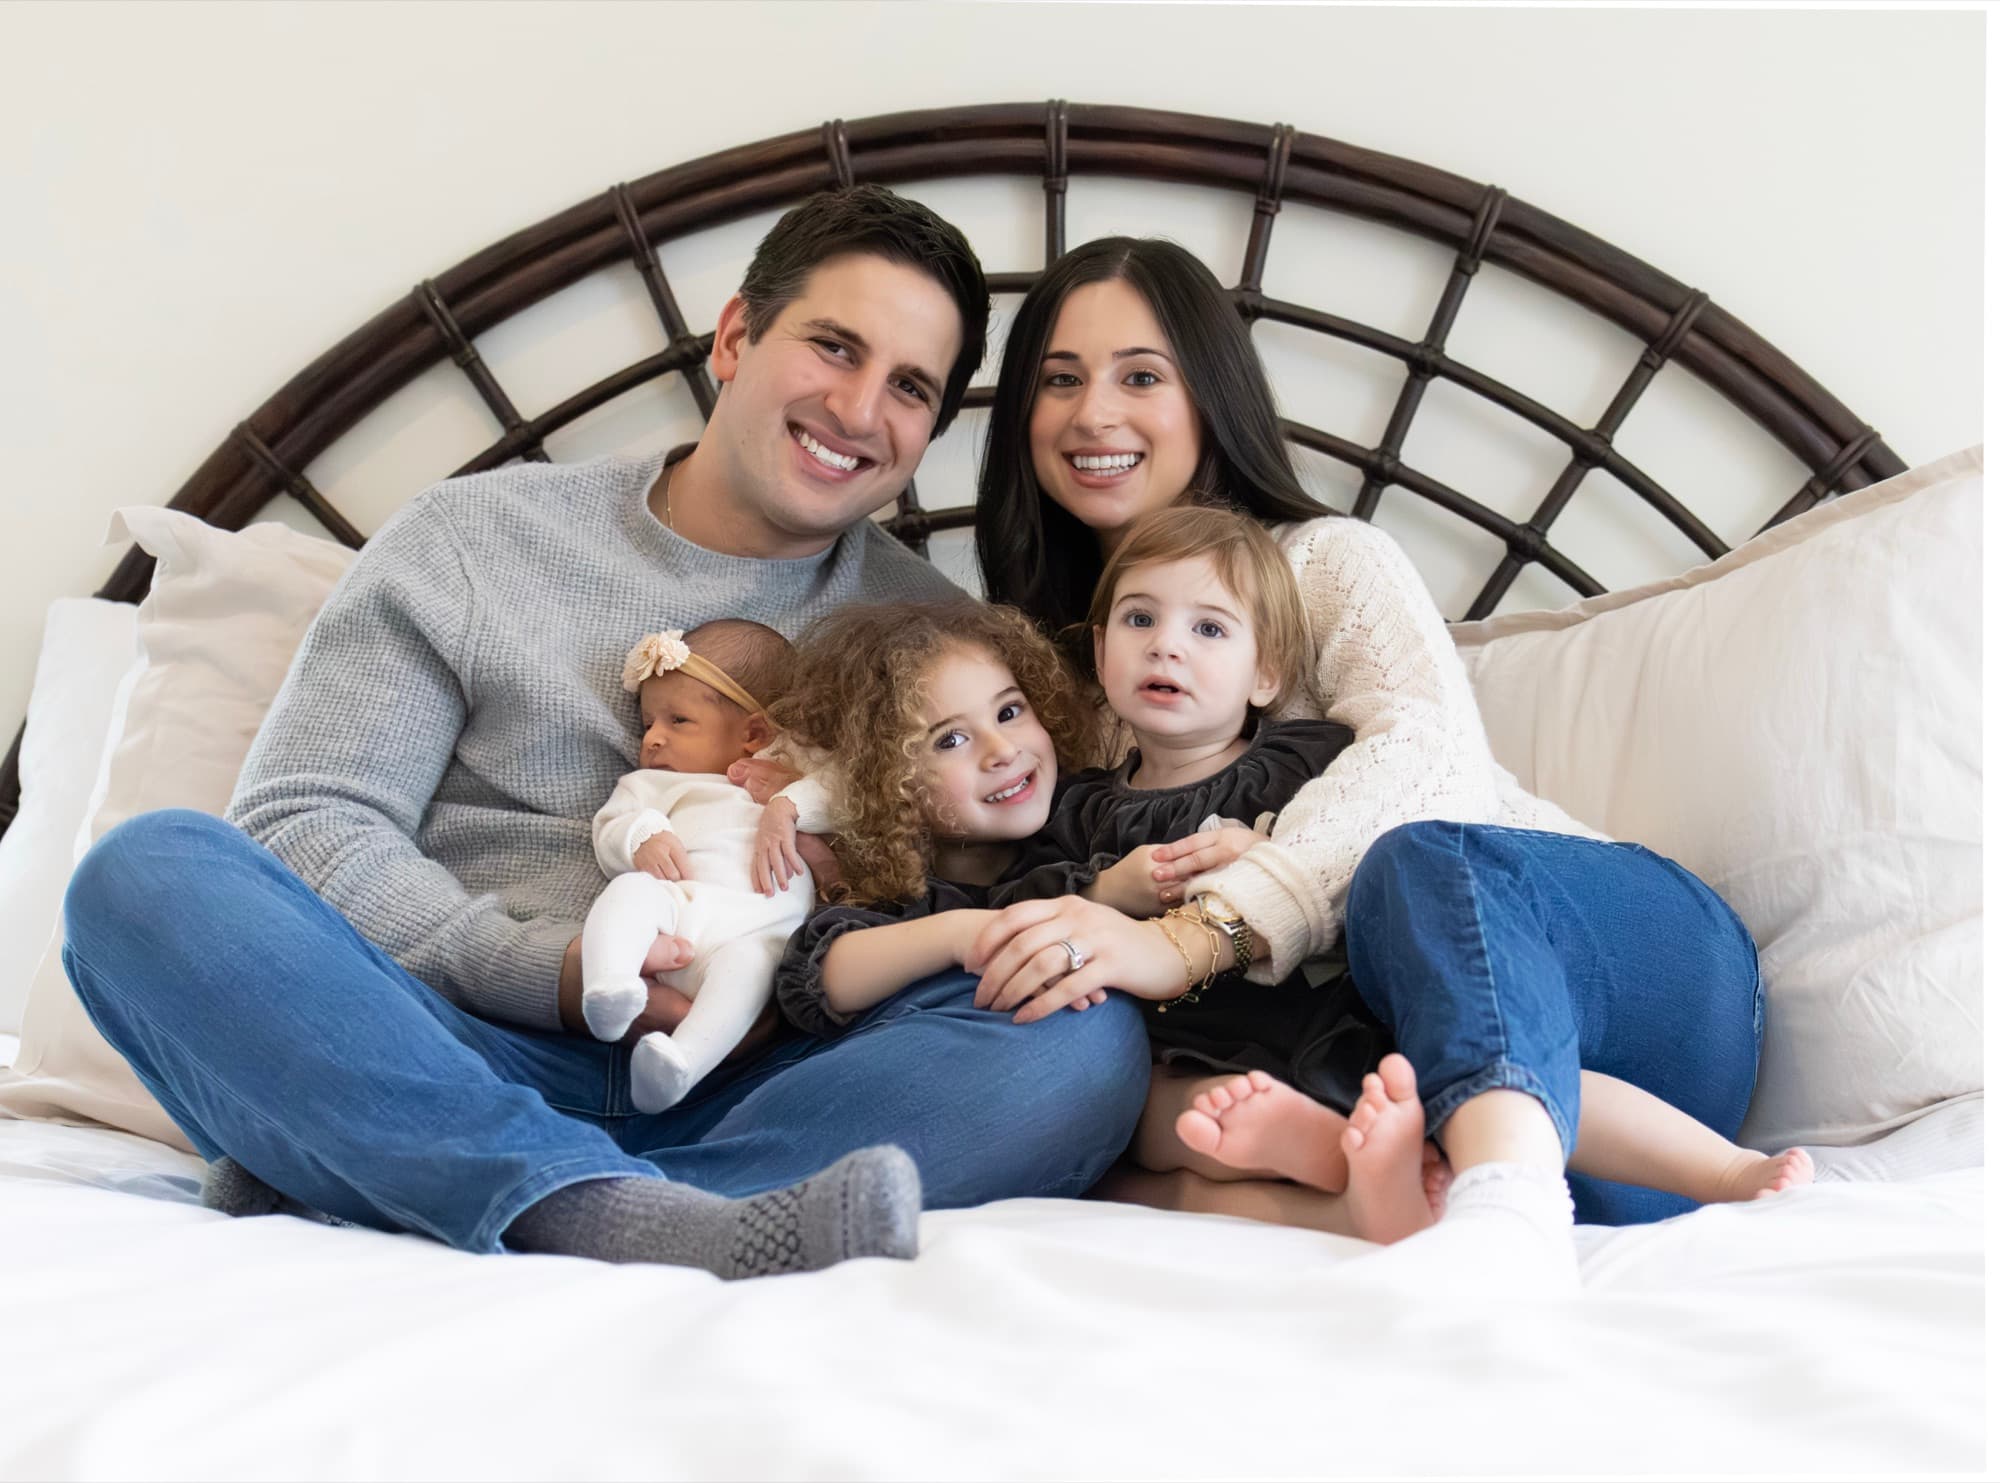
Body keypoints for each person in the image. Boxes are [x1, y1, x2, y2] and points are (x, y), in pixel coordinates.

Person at [57, 186, 1151, 1280]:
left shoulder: (929, 642)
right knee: (146, 878)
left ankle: (416, 1173)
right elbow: (304, 822)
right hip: (432, 1037)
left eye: (909, 387)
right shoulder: (474, 536)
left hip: (737, 1085)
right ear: (734, 337)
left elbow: (974, 892)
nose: (861, 410)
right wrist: (562, 972)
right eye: (833, 346)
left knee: (1080, 1036)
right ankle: (578, 1192)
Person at [968, 235, 1771, 1293]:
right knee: (1134, 1088)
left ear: (1209, 396)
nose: (1091, 413)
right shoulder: (1059, 689)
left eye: (1140, 375)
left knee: (1411, 858)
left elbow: (1425, 760)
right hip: (1479, 1104)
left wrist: (1193, 933)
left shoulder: (1322, 562)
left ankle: (1509, 1215)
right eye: (1057, 380)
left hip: (1626, 984)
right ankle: (1415, 1192)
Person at [580, 621, 831, 1114]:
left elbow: (843, 806)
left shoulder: (791, 782)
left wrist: (797, 805)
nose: (652, 739)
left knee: (752, 970)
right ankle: (609, 987)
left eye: (677, 721)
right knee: (630, 892)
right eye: (649, 723)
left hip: (757, 936)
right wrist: (641, 835)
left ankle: (680, 1063)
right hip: (677, 909)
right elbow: (609, 826)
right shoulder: (652, 786)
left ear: (753, 734)